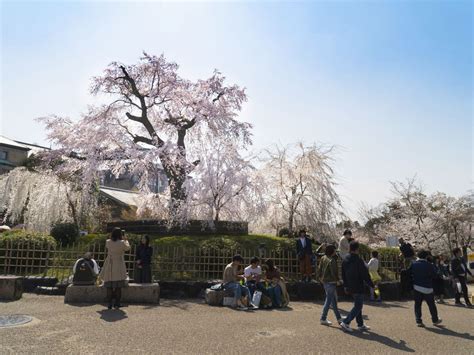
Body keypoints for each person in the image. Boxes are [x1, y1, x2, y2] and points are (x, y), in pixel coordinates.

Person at [340, 241, 374, 333]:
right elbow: (364, 274)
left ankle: (360, 324)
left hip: (350, 285)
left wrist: (345, 285)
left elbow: (343, 274)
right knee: (358, 306)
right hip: (358, 285)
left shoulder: (345, 259)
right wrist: (371, 284)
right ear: (357, 249)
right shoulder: (358, 260)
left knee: (357, 305)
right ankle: (346, 322)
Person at [99, 228, 131, 309]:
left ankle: (109, 304)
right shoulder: (122, 242)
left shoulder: (108, 242)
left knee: (109, 286)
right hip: (119, 264)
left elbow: (108, 246)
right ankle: (117, 303)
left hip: (110, 263)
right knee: (118, 287)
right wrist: (126, 239)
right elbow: (128, 248)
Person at [409, 250, 442, 327]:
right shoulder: (429, 265)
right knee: (431, 305)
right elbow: (435, 276)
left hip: (416, 287)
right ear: (426, 256)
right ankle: (435, 320)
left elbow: (409, 274)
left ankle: (418, 321)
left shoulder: (413, 264)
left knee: (417, 305)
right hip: (427, 288)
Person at [317, 244, 342, 326]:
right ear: (332, 251)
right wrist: (338, 280)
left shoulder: (323, 258)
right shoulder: (332, 260)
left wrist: (320, 277)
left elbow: (319, 268)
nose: (336, 251)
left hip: (325, 281)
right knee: (329, 301)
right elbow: (334, 272)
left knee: (333, 301)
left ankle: (339, 318)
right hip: (331, 282)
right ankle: (323, 318)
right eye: (335, 250)